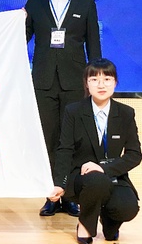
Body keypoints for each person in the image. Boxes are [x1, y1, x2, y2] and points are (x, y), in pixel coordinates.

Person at [25, 0, 102, 217]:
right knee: (48, 138)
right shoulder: (34, 3)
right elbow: (19, 39)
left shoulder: (86, 3)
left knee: (71, 140)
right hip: (43, 81)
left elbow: (94, 45)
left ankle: (69, 195)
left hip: (75, 81)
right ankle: (51, 196)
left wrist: (95, 81)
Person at [49, 58, 141, 242]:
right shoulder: (73, 111)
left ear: (115, 82)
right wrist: (59, 183)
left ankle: (109, 222)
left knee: (128, 207)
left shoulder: (125, 113)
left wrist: (104, 168)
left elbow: (134, 154)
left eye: (107, 79)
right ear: (86, 83)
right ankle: (85, 225)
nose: (101, 84)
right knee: (96, 181)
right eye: (94, 79)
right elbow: (65, 149)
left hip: (112, 174)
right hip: (81, 177)